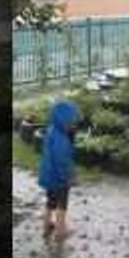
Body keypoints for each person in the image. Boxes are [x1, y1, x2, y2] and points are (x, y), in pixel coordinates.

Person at [39, 100, 81, 241]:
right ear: (63, 121)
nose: (74, 125)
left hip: (48, 176)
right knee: (62, 205)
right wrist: (69, 178)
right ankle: (60, 232)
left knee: (50, 201)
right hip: (59, 178)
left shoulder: (52, 129)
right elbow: (61, 163)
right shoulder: (62, 140)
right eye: (71, 122)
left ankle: (46, 226)